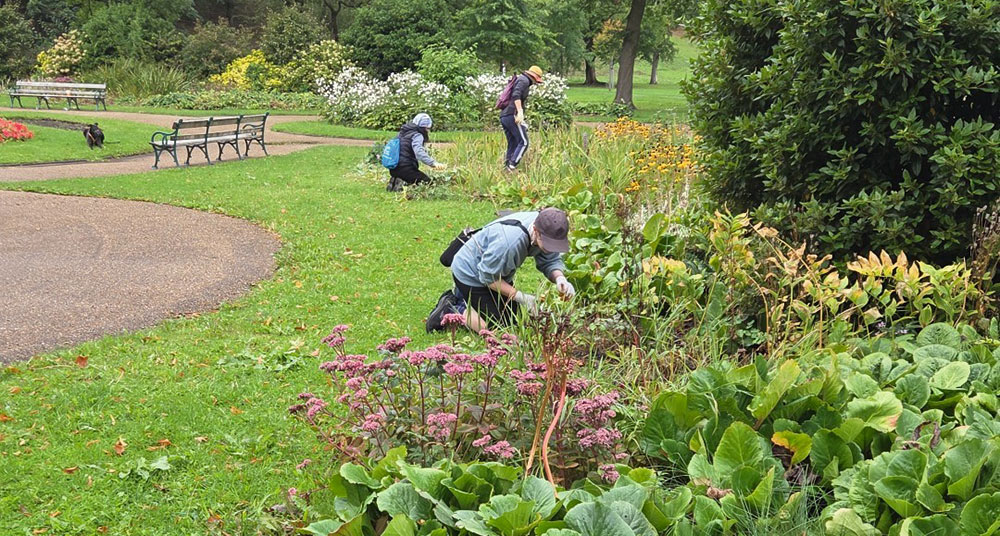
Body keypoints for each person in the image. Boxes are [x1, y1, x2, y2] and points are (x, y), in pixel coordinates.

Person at [426, 207, 575, 333]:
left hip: (496, 270)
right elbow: (488, 278)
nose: (551, 249)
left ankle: (463, 296)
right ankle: (452, 307)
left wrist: (560, 278)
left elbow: (550, 259)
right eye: (548, 244)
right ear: (535, 230)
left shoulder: (547, 228)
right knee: (495, 328)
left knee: (512, 321)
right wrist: (521, 296)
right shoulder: (509, 243)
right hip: (471, 273)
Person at [387, 113, 446, 192]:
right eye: (428, 128)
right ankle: (403, 183)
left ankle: (396, 180)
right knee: (428, 182)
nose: (428, 131)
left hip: (393, 168)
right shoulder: (417, 135)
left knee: (408, 174)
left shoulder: (402, 133)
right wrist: (433, 163)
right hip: (406, 169)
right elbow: (419, 152)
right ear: (425, 127)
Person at [500, 66, 543, 172]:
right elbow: (516, 95)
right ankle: (512, 166)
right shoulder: (524, 80)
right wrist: (520, 112)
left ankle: (507, 167)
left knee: (513, 142)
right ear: (534, 77)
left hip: (505, 115)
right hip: (512, 115)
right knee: (524, 142)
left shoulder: (521, 79)